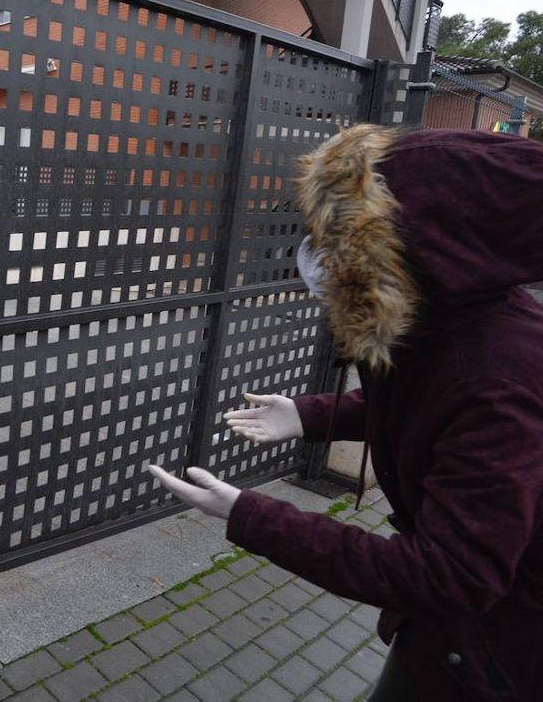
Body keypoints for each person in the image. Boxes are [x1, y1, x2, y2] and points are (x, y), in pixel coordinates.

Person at [149, 126, 543, 701]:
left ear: (418, 249)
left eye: (341, 242)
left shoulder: (498, 378)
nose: (316, 256)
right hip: (449, 640)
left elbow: (448, 575)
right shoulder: (459, 316)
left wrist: (250, 515)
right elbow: (428, 407)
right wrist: (308, 415)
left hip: (489, 663)